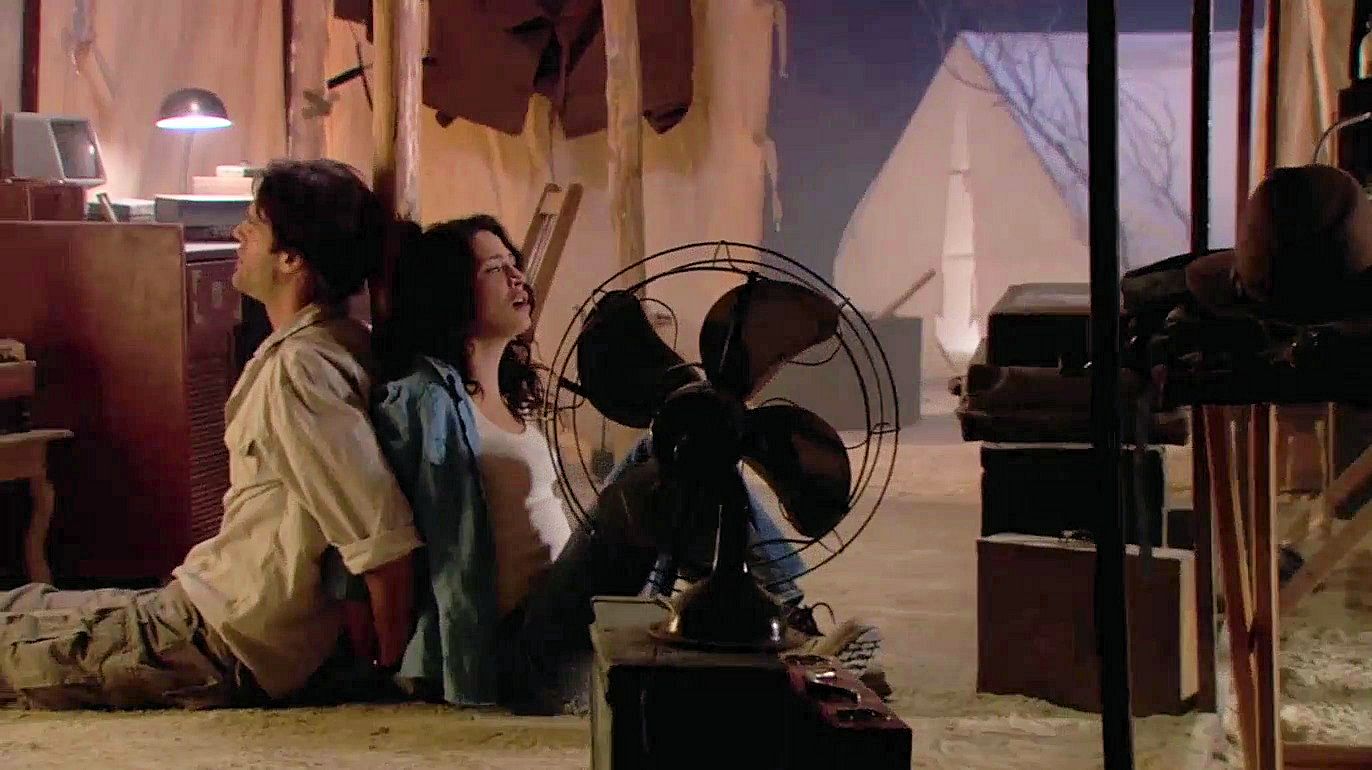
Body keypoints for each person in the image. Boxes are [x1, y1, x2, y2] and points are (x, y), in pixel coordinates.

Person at [338, 214, 882, 714]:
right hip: (524, 652)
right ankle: (791, 630)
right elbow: (383, 518)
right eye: (494, 269)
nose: (517, 278)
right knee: (662, 468)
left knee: (678, 441)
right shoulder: (425, 400)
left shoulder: (505, 396)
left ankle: (784, 622)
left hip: (575, 609)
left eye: (513, 262)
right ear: (450, 293)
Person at [0, 159, 423, 710]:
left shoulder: (301, 370)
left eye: (255, 222)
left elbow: (383, 542)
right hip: (211, 605)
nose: (238, 233)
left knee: (14, 642)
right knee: (24, 605)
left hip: (221, 638)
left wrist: (388, 673)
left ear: (292, 258)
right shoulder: (332, 343)